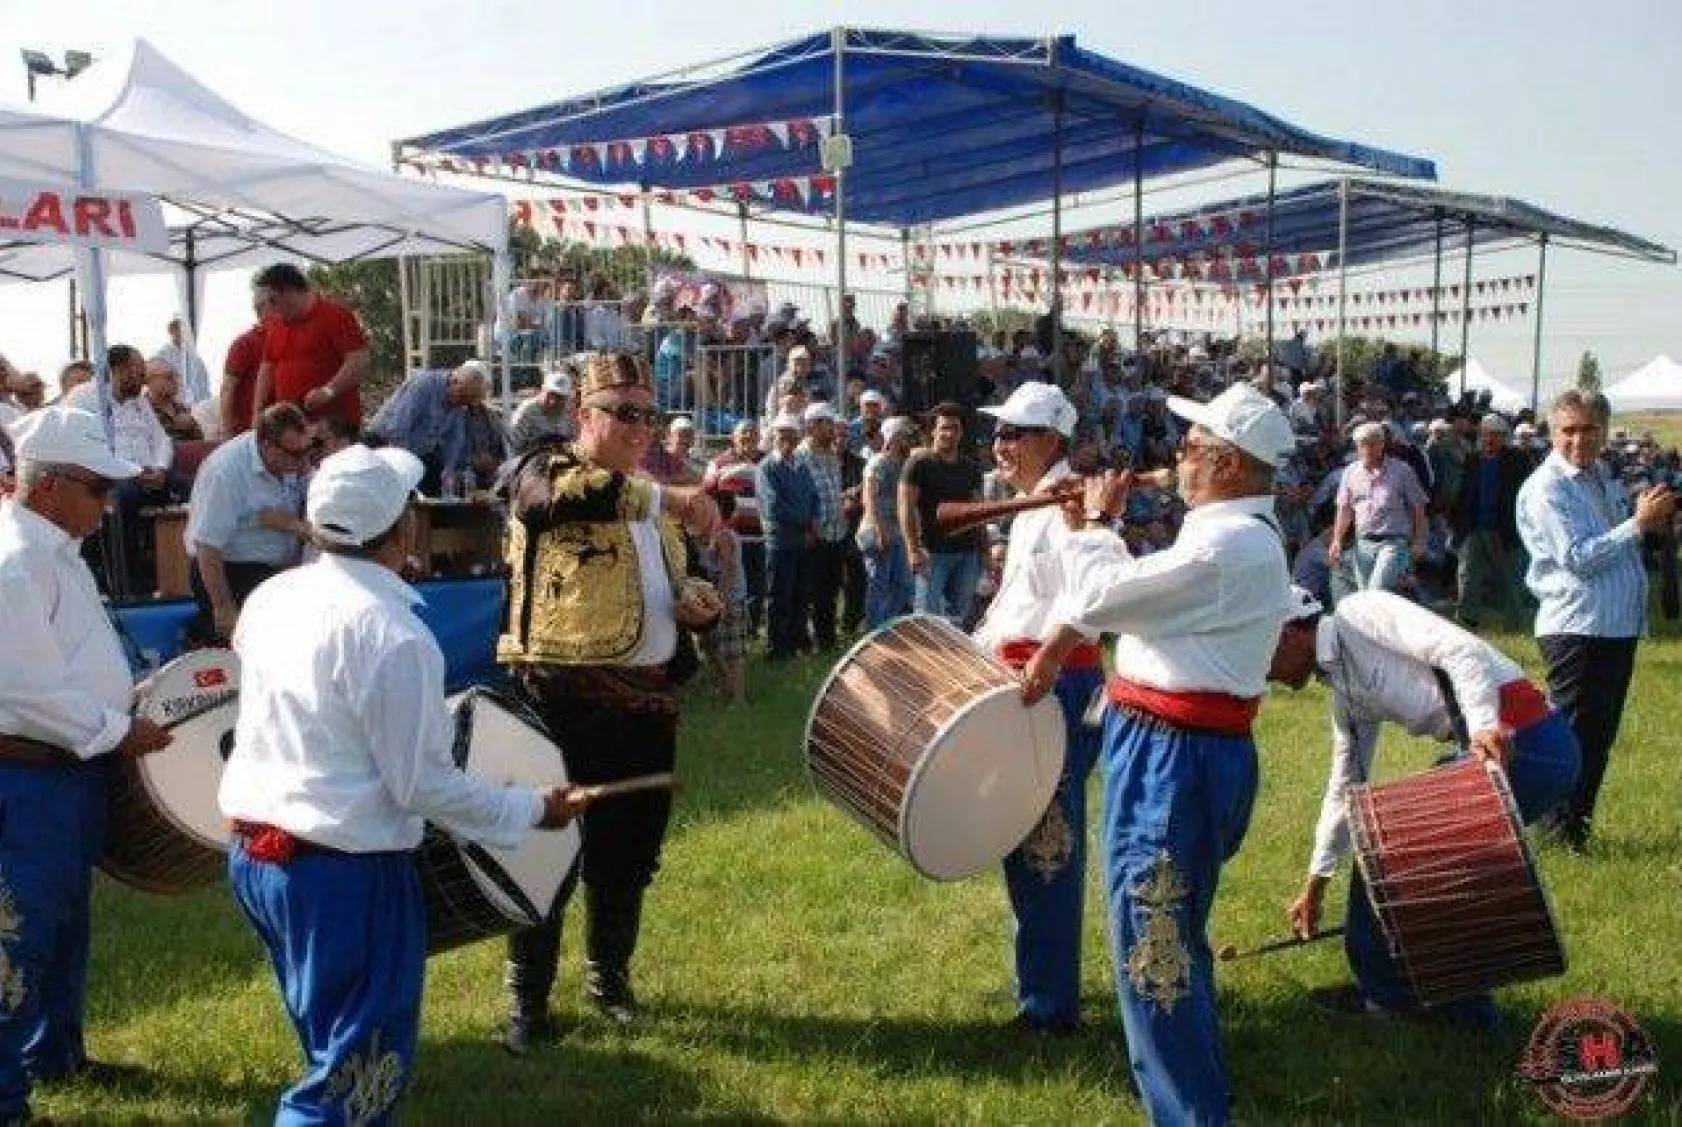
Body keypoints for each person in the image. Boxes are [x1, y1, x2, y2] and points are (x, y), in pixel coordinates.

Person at [220, 443, 586, 1124]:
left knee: (334, 1046)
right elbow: (422, 784)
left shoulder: (270, 598)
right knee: (353, 1077)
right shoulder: (394, 635)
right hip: (341, 871)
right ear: (402, 527)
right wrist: (532, 807)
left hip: (256, 857)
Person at [1021, 382, 1296, 1124]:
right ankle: (1196, 1087)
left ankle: (1191, 1113)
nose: (1179, 456)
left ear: (1231, 464)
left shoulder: (1227, 544)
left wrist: (1096, 524)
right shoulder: (1227, 534)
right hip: (1177, 752)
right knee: (1168, 934)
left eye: (1194, 446)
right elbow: (1133, 599)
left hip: (1175, 762)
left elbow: (1105, 598)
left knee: (1155, 950)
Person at [495, 351, 723, 1053]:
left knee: (629, 850)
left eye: (646, 413)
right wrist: (668, 497)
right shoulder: (544, 468)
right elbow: (548, 504)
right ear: (584, 415)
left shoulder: (650, 498)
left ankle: (609, 979)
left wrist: (697, 605)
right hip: (561, 700)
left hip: (647, 704)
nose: (639, 426)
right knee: (545, 847)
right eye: (623, 412)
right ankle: (527, 1003)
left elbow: (681, 576)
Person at [1269, 587, 1581, 1026]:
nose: (1264, 676)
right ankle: (1460, 1010)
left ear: (1285, 635)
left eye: (1262, 659)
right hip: (1511, 748)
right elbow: (1345, 787)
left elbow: (1460, 649)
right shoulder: (1345, 693)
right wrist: (1315, 884)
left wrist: (1483, 729)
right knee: (1411, 858)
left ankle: (1394, 1000)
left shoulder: (1360, 612)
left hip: (1526, 743)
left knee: (1388, 851)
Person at [0, 408, 175, 1125]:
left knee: (64, 921)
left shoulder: (49, 550)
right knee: (21, 930)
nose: (109, 506)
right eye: (98, 489)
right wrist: (115, 727)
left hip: (65, 769)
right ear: (49, 486)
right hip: (31, 772)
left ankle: (54, 1051)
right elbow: (24, 690)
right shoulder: (17, 561)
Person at [969, 383, 1103, 1035]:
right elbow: (1014, 605)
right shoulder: (1033, 505)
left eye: (1015, 432)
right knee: (1026, 839)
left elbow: (1096, 593)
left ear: (1051, 437)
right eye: (998, 432)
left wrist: (1048, 655)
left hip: (1054, 689)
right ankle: (1042, 985)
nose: (1001, 443)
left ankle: (1049, 1006)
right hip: (1024, 682)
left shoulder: (1070, 501)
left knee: (1048, 842)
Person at [1517, 389, 1675, 853]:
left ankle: (1575, 830)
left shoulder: (1600, 478)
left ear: (1604, 432)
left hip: (1611, 624)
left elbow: (1614, 545)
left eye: (1588, 429)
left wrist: (1645, 522)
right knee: (1574, 736)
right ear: (1552, 432)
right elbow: (1578, 558)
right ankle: (1556, 833)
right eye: (1569, 430)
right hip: (1577, 625)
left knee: (1598, 736)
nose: (1578, 439)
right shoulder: (1548, 487)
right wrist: (1638, 523)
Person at [183, 404, 312, 642]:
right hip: (230, 570)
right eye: (295, 454)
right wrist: (223, 607)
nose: (304, 460)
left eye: (307, 450)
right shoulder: (225, 472)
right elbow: (207, 547)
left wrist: (293, 526)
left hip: (277, 571)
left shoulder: (294, 459)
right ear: (267, 446)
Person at [252, 262, 370, 426]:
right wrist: (257, 413)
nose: (271, 308)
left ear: (290, 291)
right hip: (293, 428)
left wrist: (328, 391)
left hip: (334, 427)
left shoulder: (335, 315)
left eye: (273, 300)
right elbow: (267, 369)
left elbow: (359, 361)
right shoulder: (276, 324)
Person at [900, 402, 984, 627]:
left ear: (962, 432)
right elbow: (905, 508)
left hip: (967, 552)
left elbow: (979, 512)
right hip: (931, 553)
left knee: (959, 620)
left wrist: (983, 551)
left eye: (955, 428)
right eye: (944, 428)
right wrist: (913, 550)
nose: (949, 433)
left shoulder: (970, 467)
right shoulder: (918, 464)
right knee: (927, 622)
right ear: (933, 431)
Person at [1451, 414, 1531, 629]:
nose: (1489, 439)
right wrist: (1457, 525)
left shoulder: (1518, 460)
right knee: (1468, 576)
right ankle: (1466, 621)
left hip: (1504, 529)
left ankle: (1516, 625)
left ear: (1504, 437)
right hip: (1473, 528)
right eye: (1485, 434)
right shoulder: (1472, 460)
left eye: (1494, 435)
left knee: (1510, 580)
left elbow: (1527, 494)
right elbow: (1463, 494)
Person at [1329, 421, 1428, 594]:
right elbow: (1344, 509)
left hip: (1393, 542)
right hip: (1363, 542)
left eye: (1373, 443)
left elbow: (1418, 507)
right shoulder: (1350, 472)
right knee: (1366, 594)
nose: (1367, 448)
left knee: (1376, 591)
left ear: (1382, 445)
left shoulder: (1402, 471)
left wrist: (1419, 540)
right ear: (1357, 447)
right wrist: (1337, 540)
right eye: (1363, 444)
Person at [366, 362, 491, 496]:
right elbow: (398, 428)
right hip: (385, 444)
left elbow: (455, 440)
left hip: (419, 452)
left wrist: (448, 471)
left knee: (436, 494)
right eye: (463, 397)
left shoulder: (459, 402)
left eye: (469, 400)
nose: (463, 403)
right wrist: (406, 466)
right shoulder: (425, 385)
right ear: (453, 382)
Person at [756, 413, 819, 660]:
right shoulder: (767, 467)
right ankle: (778, 648)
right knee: (779, 595)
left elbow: (814, 497)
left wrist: (813, 523)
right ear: (773, 436)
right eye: (782, 434)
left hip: (803, 540)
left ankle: (797, 641)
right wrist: (807, 524)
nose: (787, 440)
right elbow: (773, 507)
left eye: (792, 435)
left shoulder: (802, 465)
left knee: (801, 594)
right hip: (780, 542)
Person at [857, 416, 916, 628]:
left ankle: (890, 627)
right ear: (894, 437)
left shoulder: (903, 464)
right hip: (877, 531)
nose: (909, 439)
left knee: (902, 585)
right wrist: (879, 529)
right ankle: (874, 630)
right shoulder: (878, 462)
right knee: (878, 585)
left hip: (897, 532)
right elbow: (869, 498)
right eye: (905, 435)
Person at [221, 290, 271, 439]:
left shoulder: (287, 338)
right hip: (250, 432)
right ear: (266, 307)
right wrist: (227, 433)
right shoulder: (245, 344)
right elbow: (227, 389)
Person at [509, 368, 575, 454]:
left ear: (566, 398)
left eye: (559, 397)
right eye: (550, 394)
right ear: (542, 390)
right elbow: (512, 449)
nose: (553, 401)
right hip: (530, 462)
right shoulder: (526, 412)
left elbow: (573, 441)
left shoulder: (568, 412)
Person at [153, 317, 212, 406]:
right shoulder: (163, 354)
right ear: (170, 332)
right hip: (174, 403)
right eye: (177, 330)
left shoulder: (192, 355)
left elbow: (203, 380)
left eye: (183, 330)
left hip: (196, 403)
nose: (181, 333)